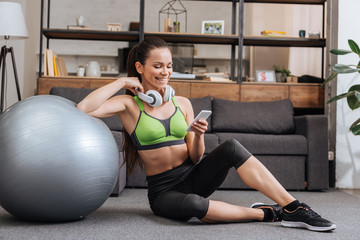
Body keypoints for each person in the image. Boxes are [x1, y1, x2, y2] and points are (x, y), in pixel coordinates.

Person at [77, 37, 335, 232]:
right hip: (165, 192)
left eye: (168, 66)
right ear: (140, 68)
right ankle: (269, 214)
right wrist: (122, 82)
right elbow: (84, 108)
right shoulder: (129, 106)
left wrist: (198, 135)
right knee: (195, 207)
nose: (165, 72)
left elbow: (196, 156)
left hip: (195, 175)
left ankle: (294, 207)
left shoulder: (183, 103)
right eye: (157, 66)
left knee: (232, 146)